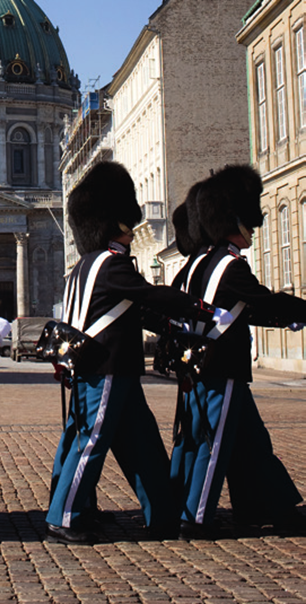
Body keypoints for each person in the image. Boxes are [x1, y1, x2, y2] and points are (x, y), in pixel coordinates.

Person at [45, 161, 228, 544]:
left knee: (143, 447)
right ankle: (65, 516)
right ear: (116, 223)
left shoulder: (86, 266)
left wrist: (170, 326)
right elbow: (150, 294)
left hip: (117, 369)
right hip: (105, 368)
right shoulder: (111, 265)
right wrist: (200, 309)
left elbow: (134, 310)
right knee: (91, 442)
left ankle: (162, 513)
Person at [170, 165, 306, 539]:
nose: (253, 227)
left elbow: (248, 308)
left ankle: (269, 507)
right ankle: (195, 518)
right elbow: (262, 301)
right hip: (222, 367)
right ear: (234, 220)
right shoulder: (229, 265)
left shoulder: (200, 263)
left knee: (252, 444)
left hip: (203, 367)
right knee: (213, 447)